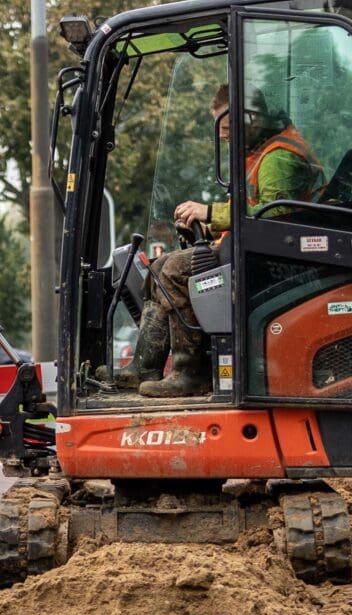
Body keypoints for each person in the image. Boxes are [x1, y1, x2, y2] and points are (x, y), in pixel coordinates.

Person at [133, 83, 321, 399]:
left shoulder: (278, 158)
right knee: (160, 267)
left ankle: (190, 373)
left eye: (226, 126)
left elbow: (274, 214)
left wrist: (208, 211)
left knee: (175, 272)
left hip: (276, 260)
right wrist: (208, 230)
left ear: (251, 119)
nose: (222, 136)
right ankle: (144, 367)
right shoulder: (264, 152)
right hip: (261, 248)